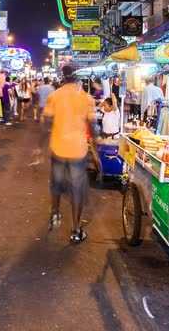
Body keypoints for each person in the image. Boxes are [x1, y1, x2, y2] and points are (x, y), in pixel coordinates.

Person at [42, 65, 97, 244]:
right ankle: (75, 230)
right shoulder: (86, 98)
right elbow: (92, 125)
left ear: (63, 78)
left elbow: (47, 121)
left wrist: (49, 133)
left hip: (58, 147)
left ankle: (55, 213)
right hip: (78, 150)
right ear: (78, 79)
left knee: (56, 184)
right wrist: (94, 145)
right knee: (77, 190)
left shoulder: (54, 96)